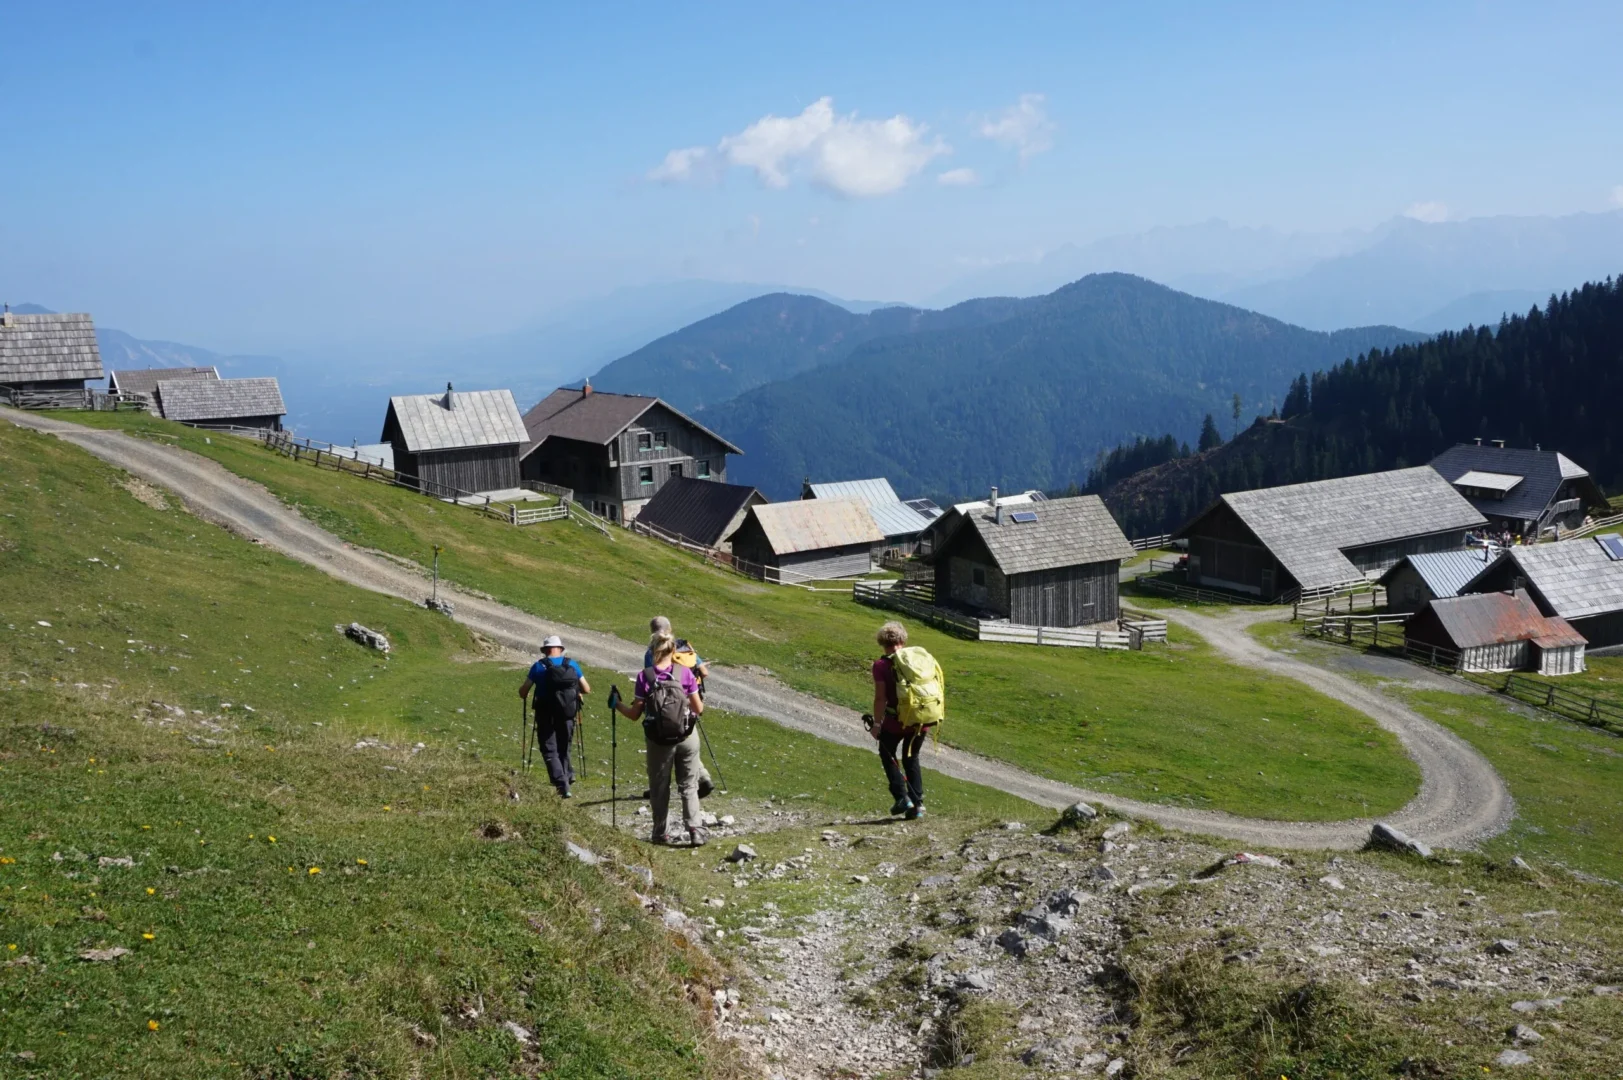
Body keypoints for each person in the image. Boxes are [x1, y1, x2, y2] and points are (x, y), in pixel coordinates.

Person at [615, 631, 708, 846]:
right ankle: (695, 830)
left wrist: (617, 703)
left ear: (652, 650)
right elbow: (699, 708)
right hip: (686, 736)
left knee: (659, 786)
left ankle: (660, 833)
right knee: (689, 785)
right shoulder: (685, 673)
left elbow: (634, 714)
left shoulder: (644, 676)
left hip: (658, 740)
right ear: (674, 650)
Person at [868, 620, 939, 820]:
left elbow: (881, 698)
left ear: (882, 642)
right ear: (903, 640)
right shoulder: (921, 660)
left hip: (896, 721)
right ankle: (918, 805)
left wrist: (876, 723)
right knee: (911, 757)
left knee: (887, 752)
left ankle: (902, 798)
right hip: (922, 719)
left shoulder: (881, 665)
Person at [645, 615, 714, 798]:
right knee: (686, 738)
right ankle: (702, 777)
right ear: (670, 628)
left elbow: (650, 678)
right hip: (689, 703)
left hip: (663, 705)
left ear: (651, 631)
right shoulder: (683, 647)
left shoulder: (652, 651)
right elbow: (705, 673)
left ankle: (659, 787)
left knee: (664, 744)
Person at [518, 635, 590, 798]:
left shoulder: (538, 667)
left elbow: (523, 692)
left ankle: (561, 783)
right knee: (564, 745)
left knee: (549, 748)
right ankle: (567, 776)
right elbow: (586, 688)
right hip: (567, 712)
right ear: (561, 649)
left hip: (545, 712)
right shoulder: (572, 664)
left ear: (545, 650)